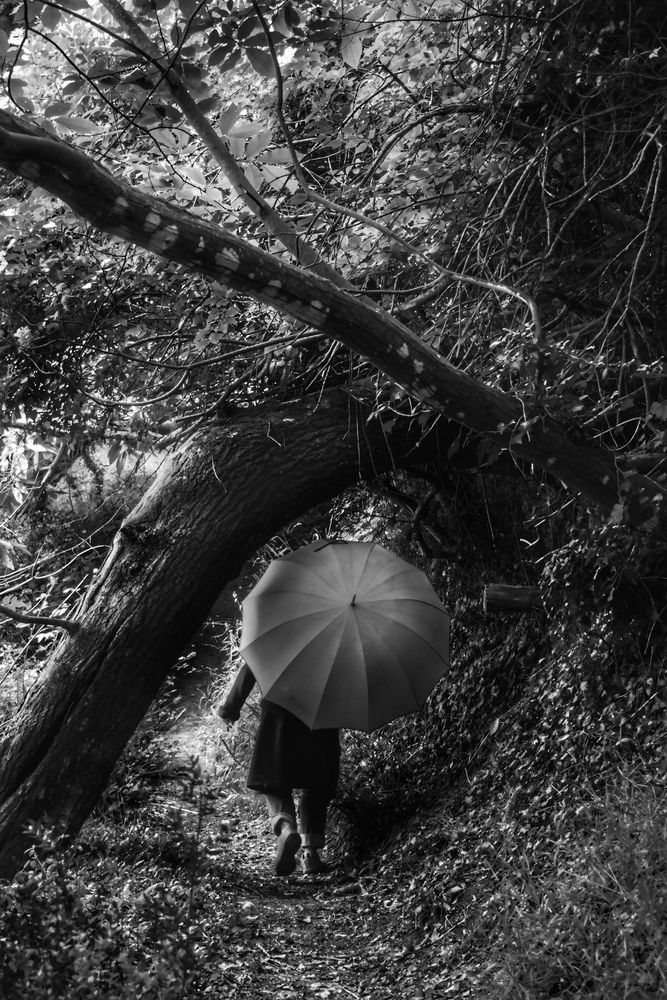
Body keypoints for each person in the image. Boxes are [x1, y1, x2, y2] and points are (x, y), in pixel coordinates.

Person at [218, 662, 340, 876]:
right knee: (316, 782)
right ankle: (310, 854)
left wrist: (230, 708)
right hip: (322, 715)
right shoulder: (339, 637)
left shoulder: (282, 632)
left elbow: (253, 665)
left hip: (280, 712)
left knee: (274, 780)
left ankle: (286, 828)